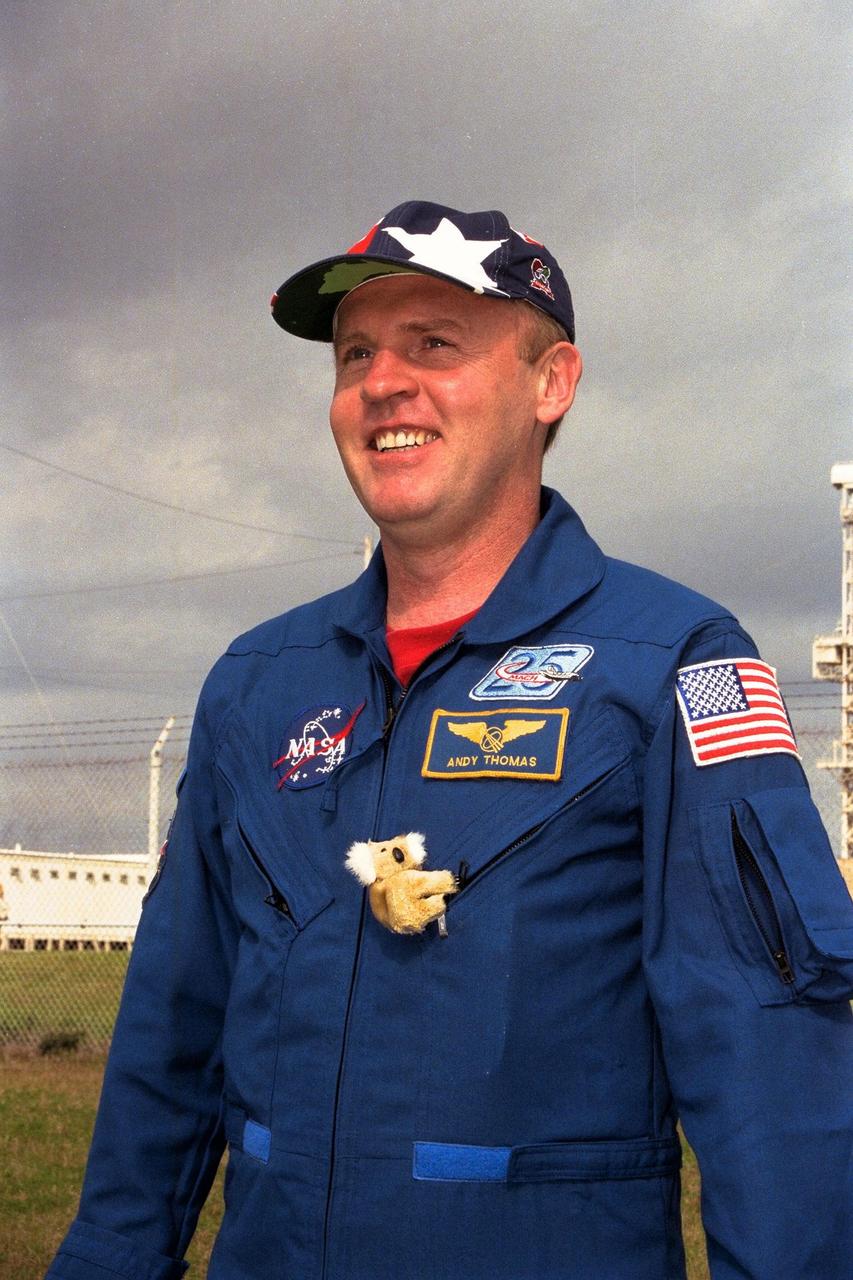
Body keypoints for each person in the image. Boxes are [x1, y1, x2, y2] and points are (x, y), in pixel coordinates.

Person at [47, 202, 852, 1280]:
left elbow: (771, 1070)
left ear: (549, 383)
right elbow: (167, 1041)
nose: (382, 382)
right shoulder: (257, 683)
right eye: (356, 354)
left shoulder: (672, 663)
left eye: (434, 344)